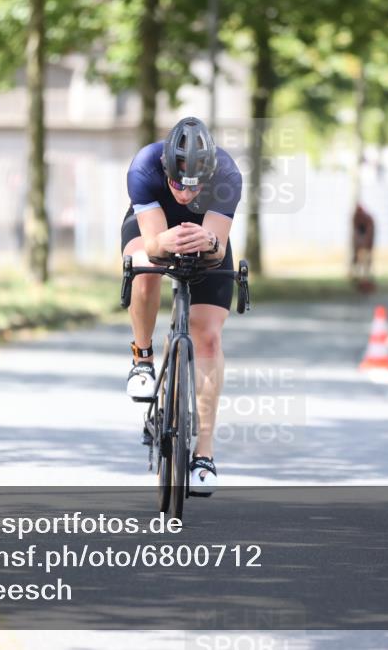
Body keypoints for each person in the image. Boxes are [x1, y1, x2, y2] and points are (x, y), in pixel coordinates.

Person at [121, 117, 242, 496]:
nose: (186, 196)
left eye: (194, 187)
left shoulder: (227, 175)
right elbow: (153, 244)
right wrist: (164, 242)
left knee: (207, 339)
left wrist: (207, 242)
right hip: (155, 227)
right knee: (144, 268)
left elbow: (218, 249)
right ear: (166, 171)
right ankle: (142, 357)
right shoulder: (144, 165)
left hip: (204, 236)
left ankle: (204, 452)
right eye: (178, 184)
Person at [350, 203, 376, 293]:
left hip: (366, 245)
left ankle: (365, 282)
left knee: (366, 264)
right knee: (360, 263)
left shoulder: (367, 220)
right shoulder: (356, 218)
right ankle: (361, 281)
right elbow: (356, 233)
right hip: (361, 245)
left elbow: (369, 234)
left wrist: (364, 244)